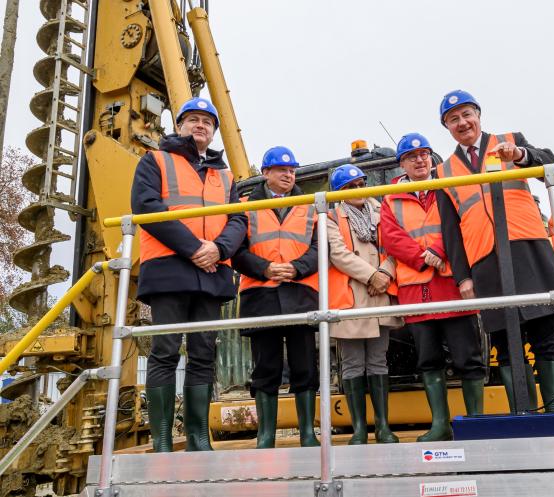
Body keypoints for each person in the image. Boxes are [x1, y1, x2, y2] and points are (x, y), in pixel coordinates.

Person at [435, 89, 554, 412]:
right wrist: (463, 277)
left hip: (528, 251)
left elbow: (550, 162)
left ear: (479, 115)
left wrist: (521, 155)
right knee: (506, 347)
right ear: (447, 127)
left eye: (467, 114)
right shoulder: (443, 171)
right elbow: (451, 230)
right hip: (485, 263)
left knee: (545, 336)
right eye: (453, 119)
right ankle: (524, 415)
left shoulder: (509, 140)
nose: (462, 122)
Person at [131, 97, 247, 452]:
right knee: (165, 350)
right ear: (179, 125)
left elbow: (239, 219)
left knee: (203, 353)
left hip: (211, 272)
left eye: (207, 122)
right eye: (194, 120)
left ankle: (198, 438)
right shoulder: (155, 161)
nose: (201, 126)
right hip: (170, 269)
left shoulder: (224, 175)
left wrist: (219, 249)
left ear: (213, 132)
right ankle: (163, 439)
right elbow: (146, 206)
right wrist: (195, 248)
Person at [381, 133, 486, 442]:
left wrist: (440, 251)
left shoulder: (447, 187)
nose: (420, 160)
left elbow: (460, 222)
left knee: (468, 357)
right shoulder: (389, 197)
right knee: (428, 360)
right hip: (416, 288)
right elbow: (390, 236)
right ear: (402, 164)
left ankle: (475, 424)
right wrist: (422, 258)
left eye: (424, 154)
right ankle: (440, 425)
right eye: (412, 156)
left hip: (451, 284)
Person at [231, 146, 320, 449]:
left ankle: (307, 433)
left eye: (292, 169)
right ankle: (265, 435)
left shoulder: (309, 205)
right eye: (281, 170)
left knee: (305, 366)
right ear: (265, 173)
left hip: (300, 292)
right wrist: (265, 268)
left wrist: (296, 269)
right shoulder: (243, 205)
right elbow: (236, 251)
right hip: (261, 295)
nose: (288, 174)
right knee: (265, 367)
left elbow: (321, 249)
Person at [327, 164, 401, 445]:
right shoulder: (332, 216)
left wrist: (385, 273)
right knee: (353, 364)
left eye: (360, 184)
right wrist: (372, 275)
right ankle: (359, 429)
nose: (358, 190)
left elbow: (395, 247)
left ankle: (383, 427)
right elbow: (339, 254)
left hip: (380, 293)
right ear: (339, 193)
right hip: (350, 299)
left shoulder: (384, 212)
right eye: (350, 187)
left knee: (378, 361)